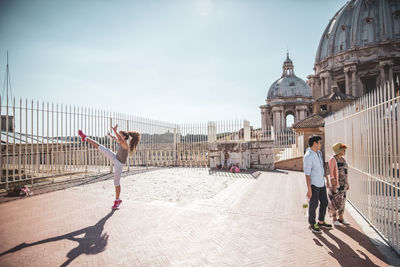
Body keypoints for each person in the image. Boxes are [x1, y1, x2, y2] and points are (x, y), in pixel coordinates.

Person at [78, 125, 140, 209]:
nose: (119, 136)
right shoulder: (120, 141)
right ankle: (85, 138)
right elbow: (116, 138)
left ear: (124, 137)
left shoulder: (125, 144)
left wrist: (115, 131)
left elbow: (119, 139)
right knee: (101, 147)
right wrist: (111, 135)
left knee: (116, 182)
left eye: (121, 135)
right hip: (115, 157)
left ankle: (117, 200)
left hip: (119, 163)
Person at [304, 135, 333, 233]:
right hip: (314, 184)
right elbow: (307, 174)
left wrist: (327, 180)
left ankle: (321, 221)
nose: (321, 144)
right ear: (315, 143)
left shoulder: (319, 153)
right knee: (313, 204)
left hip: (321, 183)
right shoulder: (308, 156)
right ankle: (312, 224)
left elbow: (322, 168)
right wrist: (309, 189)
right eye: (320, 142)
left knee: (324, 202)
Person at [328, 142, 350, 226]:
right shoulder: (332, 159)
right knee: (334, 201)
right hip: (336, 185)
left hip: (343, 184)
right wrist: (333, 185)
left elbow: (345, 172)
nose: (344, 151)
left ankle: (341, 217)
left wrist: (347, 183)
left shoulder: (343, 159)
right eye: (343, 150)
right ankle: (334, 219)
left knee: (342, 201)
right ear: (339, 151)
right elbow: (331, 174)